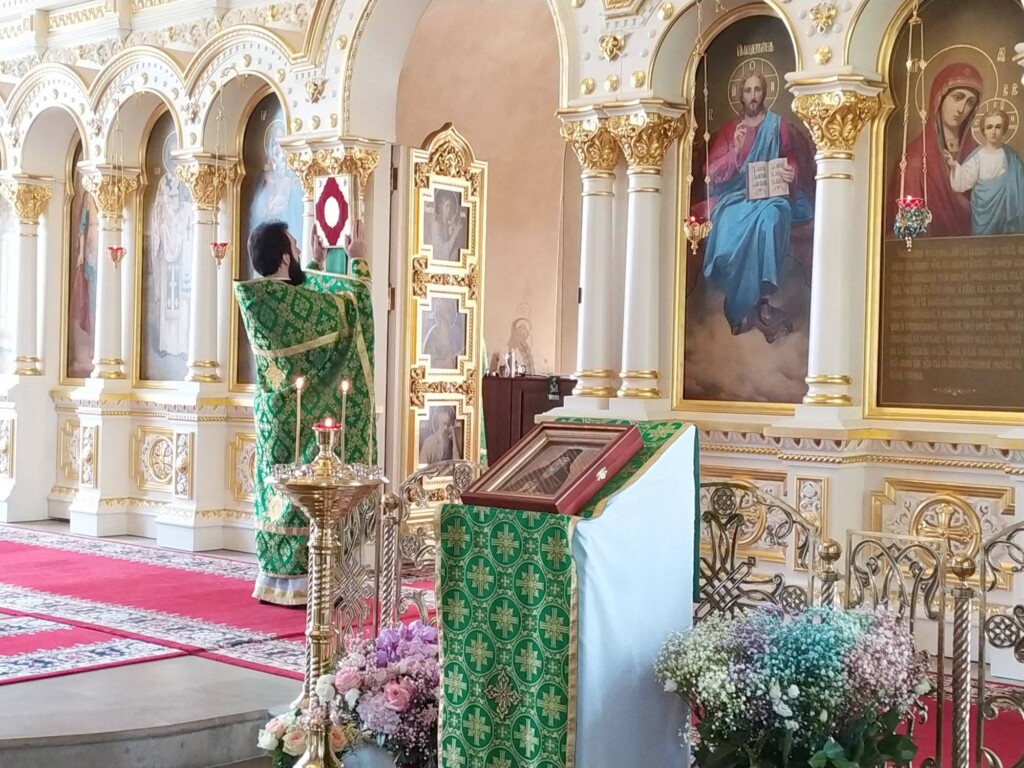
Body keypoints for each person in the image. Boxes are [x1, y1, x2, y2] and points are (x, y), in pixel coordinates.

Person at [234, 220, 376, 606]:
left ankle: (274, 578)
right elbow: (351, 309)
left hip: (274, 416)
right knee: (308, 492)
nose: (299, 253)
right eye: (296, 249)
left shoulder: (259, 299)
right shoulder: (294, 304)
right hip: (305, 415)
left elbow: (305, 307)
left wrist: (313, 262)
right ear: (284, 258)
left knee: (280, 490)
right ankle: (309, 581)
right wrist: (358, 262)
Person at [698, 68, 815, 339]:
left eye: (757, 90)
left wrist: (791, 172)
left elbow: (791, 158)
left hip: (772, 197)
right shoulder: (731, 131)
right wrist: (736, 152)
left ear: (765, 93)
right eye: (748, 90)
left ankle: (763, 301)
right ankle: (738, 305)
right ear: (741, 95)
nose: (753, 96)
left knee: (771, 219)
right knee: (727, 232)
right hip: (736, 197)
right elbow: (710, 173)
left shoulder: (778, 126)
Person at [886, 62, 983, 239]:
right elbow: (909, 226)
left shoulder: (978, 154)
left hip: (976, 251)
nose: (961, 109)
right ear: (939, 98)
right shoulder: (915, 158)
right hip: (930, 252)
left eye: (970, 102)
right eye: (957, 97)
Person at [946, 106, 1024, 236]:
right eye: (989, 127)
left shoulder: (1012, 158)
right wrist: (953, 166)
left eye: (998, 127)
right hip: (982, 215)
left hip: (1005, 216)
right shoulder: (978, 156)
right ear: (984, 131)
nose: (993, 131)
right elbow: (962, 182)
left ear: (1003, 130)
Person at [422, 298, 465, 369]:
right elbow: (428, 363)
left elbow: (460, 353)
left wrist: (458, 355)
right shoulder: (433, 334)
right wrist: (444, 363)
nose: (446, 315)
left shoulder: (455, 333)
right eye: (443, 310)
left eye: (448, 310)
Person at [429, 190, 465, 262]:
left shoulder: (448, 226)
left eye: (450, 206)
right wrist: (454, 235)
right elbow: (441, 252)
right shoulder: (435, 225)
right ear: (441, 207)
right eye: (446, 206)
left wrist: (453, 235)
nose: (449, 209)